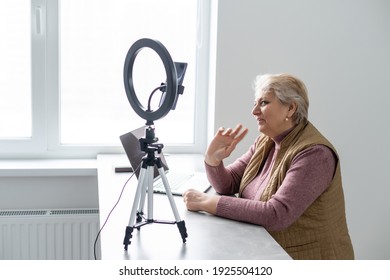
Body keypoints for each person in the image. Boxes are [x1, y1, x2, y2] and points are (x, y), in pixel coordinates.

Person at [183, 73, 354, 260]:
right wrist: (212, 158)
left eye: (263, 103)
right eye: (255, 103)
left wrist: (207, 202)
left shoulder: (315, 154)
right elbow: (228, 184)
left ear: (290, 108)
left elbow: (276, 214)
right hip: (269, 251)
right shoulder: (266, 140)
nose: (254, 111)